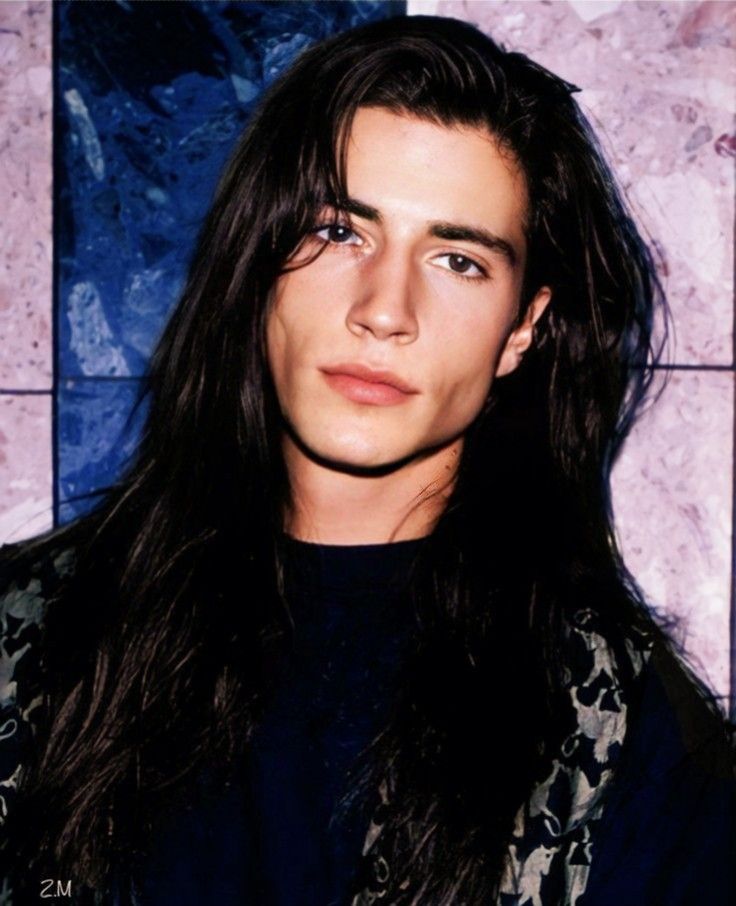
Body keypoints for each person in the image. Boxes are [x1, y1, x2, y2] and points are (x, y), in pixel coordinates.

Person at [1, 13, 734, 906]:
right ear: (259, 260)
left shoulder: (625, 737)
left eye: (459, 260)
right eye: (342, 233)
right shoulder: (27, 644)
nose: (385, 309)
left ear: (524, 329)